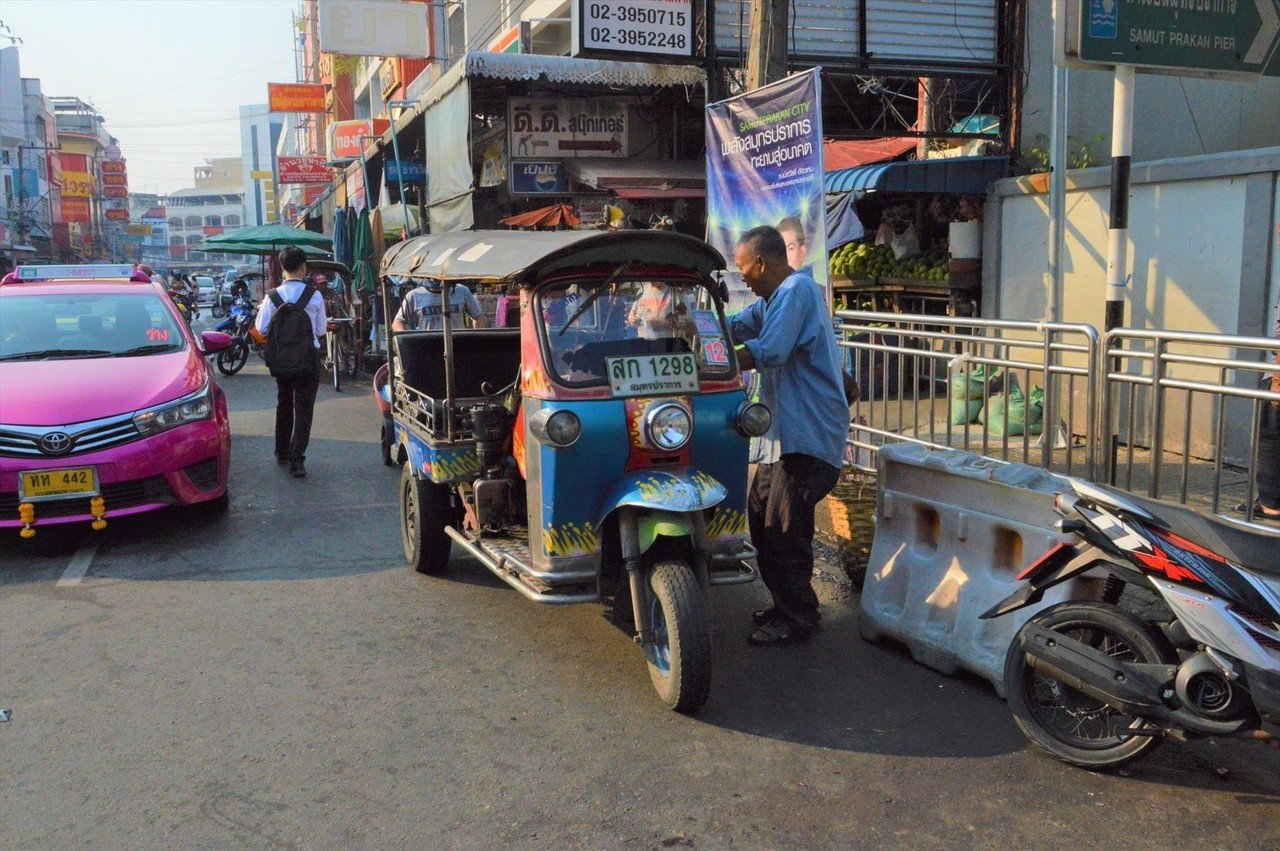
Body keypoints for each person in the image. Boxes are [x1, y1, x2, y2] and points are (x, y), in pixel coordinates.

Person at [730, 226, 849, 646]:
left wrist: (713, 361)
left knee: (784, 530)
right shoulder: (772, 301)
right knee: (762, 524)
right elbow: (738, 326)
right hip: (779, 439)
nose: (741, 276)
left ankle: (798, 617)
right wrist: (697, 327)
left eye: (743, 268)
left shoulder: (796, 290)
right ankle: (786, 604)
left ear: (761, 263)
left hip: (807, 437)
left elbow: (772, 350)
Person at [255, 246, 327, 479]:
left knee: (284, 403)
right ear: (304, 267)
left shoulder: (272, 296)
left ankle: (281, 451)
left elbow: (260, 328)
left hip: (282, 361)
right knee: (304, 409)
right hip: (308, 359)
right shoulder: (314, 295)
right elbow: (320, 330)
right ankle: (298, 460)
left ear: (282, 268)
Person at [391, 278, 489, 332]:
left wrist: (477, 339)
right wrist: (406, 342)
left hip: (458, 347)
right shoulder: (414, 296)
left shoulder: (462, 291)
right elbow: (398, 322)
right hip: (427, 349)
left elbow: (478, 316)